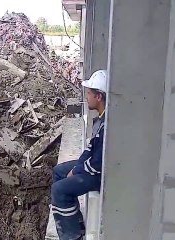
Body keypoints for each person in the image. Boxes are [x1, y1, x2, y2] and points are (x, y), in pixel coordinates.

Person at [51, 70, 107, 240]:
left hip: (101, 175)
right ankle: (74, 223)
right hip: (95, 167)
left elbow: (98, 163)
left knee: (59, 190)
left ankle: (72, 236)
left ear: (98, 96)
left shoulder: (108, 125)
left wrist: (78, 171)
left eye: (89, 93)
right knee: (59, 171)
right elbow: (90, 149)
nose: (86, 96)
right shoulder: (101, 118)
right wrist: (76, 167)